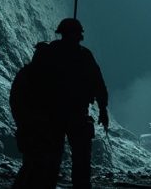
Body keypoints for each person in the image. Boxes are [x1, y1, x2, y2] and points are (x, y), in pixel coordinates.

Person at [40, 18, 109, 189]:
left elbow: (98, 84)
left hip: (57, 114)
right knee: (76, 158)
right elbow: (98, 84)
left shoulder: (52, 52)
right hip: (67, 114)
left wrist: (103, 109)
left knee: (57, 158)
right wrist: (103, 110)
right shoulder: (83, 55)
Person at [10, 42, 58, 189]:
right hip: (35, 128)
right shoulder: (42, 77)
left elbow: (15, 101)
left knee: (32, 165)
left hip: (33, 127)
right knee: (35, 166)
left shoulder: (28, 74)